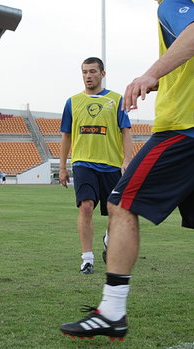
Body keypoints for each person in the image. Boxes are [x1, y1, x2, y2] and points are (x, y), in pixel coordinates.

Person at [60, 0, 194, 340]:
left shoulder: (175, 3)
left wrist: (150, 72)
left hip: (182, 131)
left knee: (120, 204)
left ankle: (112, 312)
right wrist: (161, 79)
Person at [59, 57, 132, 275]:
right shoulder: (72, 102)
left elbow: (126, 131)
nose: (88, 76)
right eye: (84, 72)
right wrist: (63, 166)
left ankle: (109, 239)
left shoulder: (117, 100)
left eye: (92, 71)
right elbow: (66, 135)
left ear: (103, 73)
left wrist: (127, 159)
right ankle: (87, 259)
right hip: (83, 163)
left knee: (115, 213)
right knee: (86, 206)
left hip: (111, 164)